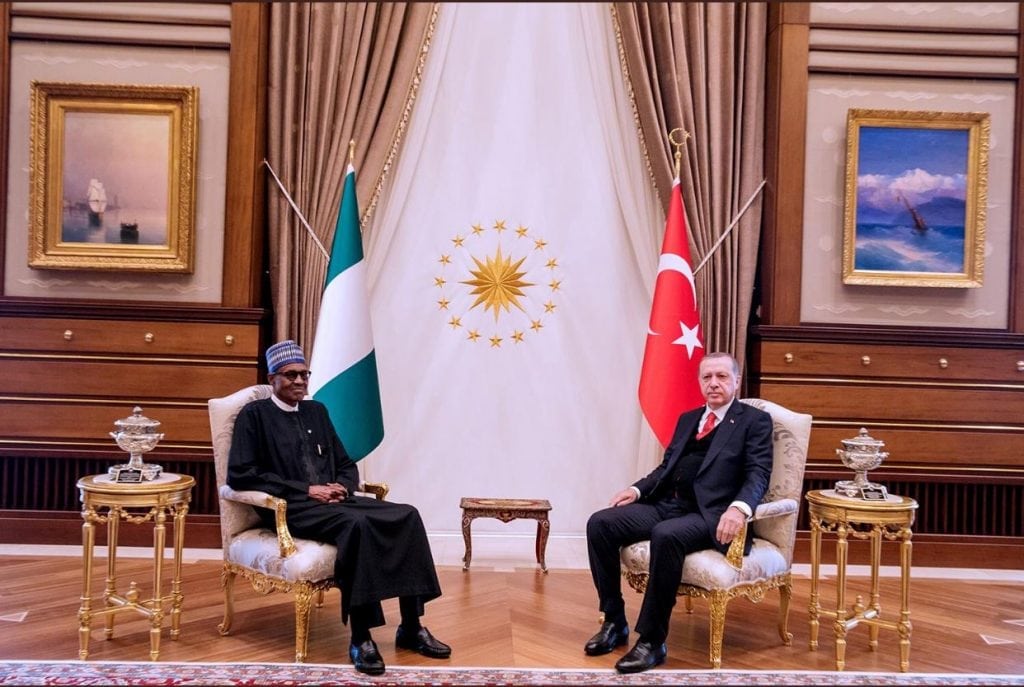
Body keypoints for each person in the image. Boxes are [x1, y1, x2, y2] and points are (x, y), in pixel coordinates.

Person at [228, 340, 451, 676]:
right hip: (292, 508)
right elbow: (241, 473)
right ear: (272, 378)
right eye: (291, 375)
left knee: (407, 515)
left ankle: (411, 626)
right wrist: (307, 489)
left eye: (304, 374)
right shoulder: (255, 415)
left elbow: (346, 463)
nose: (300, 381)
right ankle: (361, 637)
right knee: (357, 527)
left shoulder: (316, 411)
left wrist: (342, 487)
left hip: (335, 502)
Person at [584, 352, 773, 673]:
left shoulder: (753, 421)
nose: (714, 383)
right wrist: (637, 490)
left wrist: (739, 509)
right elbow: (666, 467)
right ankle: (614, 621)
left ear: (737, 381)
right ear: (700, 382)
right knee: (600, 523)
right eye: (707, 377)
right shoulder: (688, 418)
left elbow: (759, 473)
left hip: (711, 514)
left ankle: (652, 641)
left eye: (722, 376)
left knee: (666, 535)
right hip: (667, 504)